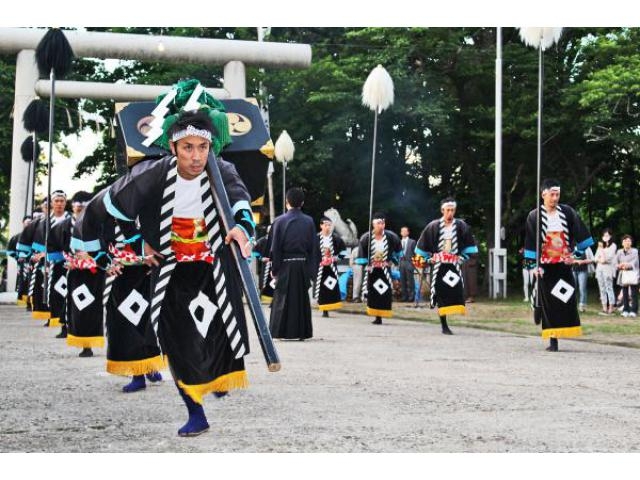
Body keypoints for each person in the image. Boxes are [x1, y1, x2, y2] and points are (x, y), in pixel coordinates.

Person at [95, 101, 256, 437]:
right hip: (171, 270)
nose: (196, 157)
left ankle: (217, 378)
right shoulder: (153, 173)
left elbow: (240, 202)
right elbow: (114, 208)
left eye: (202, 147)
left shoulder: (221, 170)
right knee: (176, 339)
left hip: (212, 267)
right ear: (173, 146)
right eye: (187, 148)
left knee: (219, 331)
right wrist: (141, 244)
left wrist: (241, 227)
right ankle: (195, 410)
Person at [72, 190, 164, 392]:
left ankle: (149, 365)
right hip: (123, 277)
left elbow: (160, 242)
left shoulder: (148, 212)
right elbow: (98, 248)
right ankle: (137, 373)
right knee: (121, 320)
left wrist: (154, 265)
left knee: (147, 321)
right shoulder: (104, 222)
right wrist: (107, 263)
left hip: (147, 275)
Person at [524, 179, 594, 351]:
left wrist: (575, 255)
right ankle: (552, 338)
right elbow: (530, 242)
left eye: (557, 194)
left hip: (563, 264)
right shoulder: (534, 216)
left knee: (566, 297)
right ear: (543, 195)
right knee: (550, 303)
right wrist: (534, 266)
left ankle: (542, 309)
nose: (555, 198)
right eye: (552, 194)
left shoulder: (568, 212)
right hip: (545, 267)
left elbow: (583, 238)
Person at [415, 197, 478, 335]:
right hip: (439, 266)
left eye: (452, 210)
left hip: (453, 266)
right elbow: (421, 247)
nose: (450, 213)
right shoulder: (433, 226)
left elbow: (469, 247)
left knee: (456, 290)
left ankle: (451, 314)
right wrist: (428, 258)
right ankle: (444, 325)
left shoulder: (461, 226)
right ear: (442, 210)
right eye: (447, 210)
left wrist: (462, 257)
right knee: (441, 293)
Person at [269, 187, 319, 340]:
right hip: (302, 265)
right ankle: (301, 332)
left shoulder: (279, 221)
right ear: (302, 203)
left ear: (287, 202)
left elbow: (275, 247)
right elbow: (313, 249)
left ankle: (279, 332)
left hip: (285, 264)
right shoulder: (309, 221)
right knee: (301, 300)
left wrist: (274, 268)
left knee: (282, 299)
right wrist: (312, 271)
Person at [355, 212, 402, 324]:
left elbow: (398, 251)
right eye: (378, 223)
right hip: (373, 270)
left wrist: (393, 261)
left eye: (383, 223)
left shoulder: (391, 236)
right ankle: (376, 316)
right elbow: (362, 253)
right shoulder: (366, 237)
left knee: (384, 291)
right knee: (374, 291)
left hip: (385, 269)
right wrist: (367, 264)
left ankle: (382, 314)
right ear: (373, 224)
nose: (381, 225)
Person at [314, 216, 346, 317]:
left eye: (329, 225)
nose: (328, 227)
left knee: (330, 286)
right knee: (322, 287)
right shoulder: (316, 238)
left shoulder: (336, 239)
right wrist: (318, 260)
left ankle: (329, 306)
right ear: (321, 226)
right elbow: (311, 252)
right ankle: (324, 309)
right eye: (326, 225)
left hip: (331, 268)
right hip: (320, 268)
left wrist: (335, 259)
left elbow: (344, 252)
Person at [594, 229, 617, 315]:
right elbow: (595, 258)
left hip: (608, 269)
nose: (605, 237)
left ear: (610, 236)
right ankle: (604, 307)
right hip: (599, 269)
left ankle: (611, 307)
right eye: (604, 235)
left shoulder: (613, 245)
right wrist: (600, 258)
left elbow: (608, 259)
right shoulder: (600, 246)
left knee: (609, 288)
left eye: (607, 235)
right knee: (602, 288)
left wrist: (602, 252)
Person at [615, 234, 639, 318]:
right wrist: (619, 266)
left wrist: (626, 264)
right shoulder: (619, 252)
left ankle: (634, 310)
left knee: (634, 293)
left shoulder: (635, 251)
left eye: (629, 241)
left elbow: (635, 262)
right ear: (622, 243)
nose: (627, 242)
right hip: (623, 274)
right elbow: (615, 262)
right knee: (624, 292)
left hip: (633, 273)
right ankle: (625, 310)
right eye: (625, 241)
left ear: (631, 243)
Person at [571, 246, 594, 312]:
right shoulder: (574, 247)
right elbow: (569, 259)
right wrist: (574, 260)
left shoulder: (587, 248)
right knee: (572, 288)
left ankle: (582, 305)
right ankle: (573, 305)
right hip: (574, 270)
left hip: (583, 270)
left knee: (582, 288)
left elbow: (592, 259)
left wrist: (583, 261)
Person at [398, 226, 416, 302]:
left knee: (410, 281)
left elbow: (415, 254)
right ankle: (404, 297)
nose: (404, 232)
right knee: (402, 281)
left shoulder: (412, 242)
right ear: (401, 233)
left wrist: (414, 264)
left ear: (408, 232)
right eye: (402, 231)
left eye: (405, 231)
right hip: (401, 263)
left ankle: (411, 297)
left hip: (409, 263)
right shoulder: (398, 242)